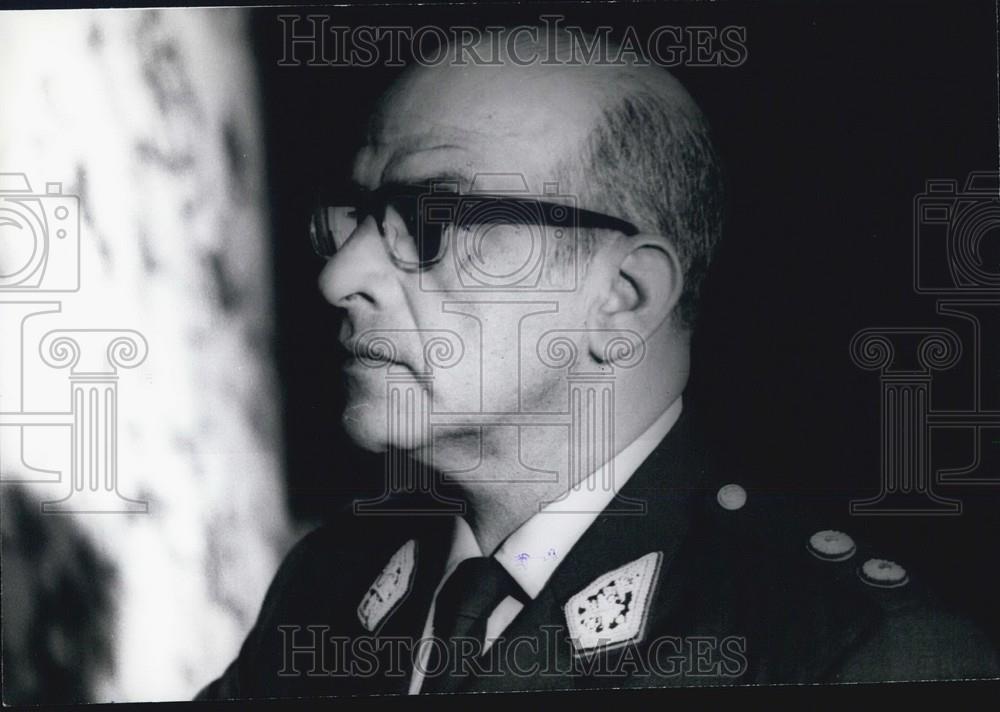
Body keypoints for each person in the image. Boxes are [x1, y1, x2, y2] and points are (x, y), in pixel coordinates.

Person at [196, 28, 999, 698]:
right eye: (355, 218)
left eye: (430, 219)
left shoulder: (857, 655)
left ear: (624, 296)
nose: (340, 277)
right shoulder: (327, 586)